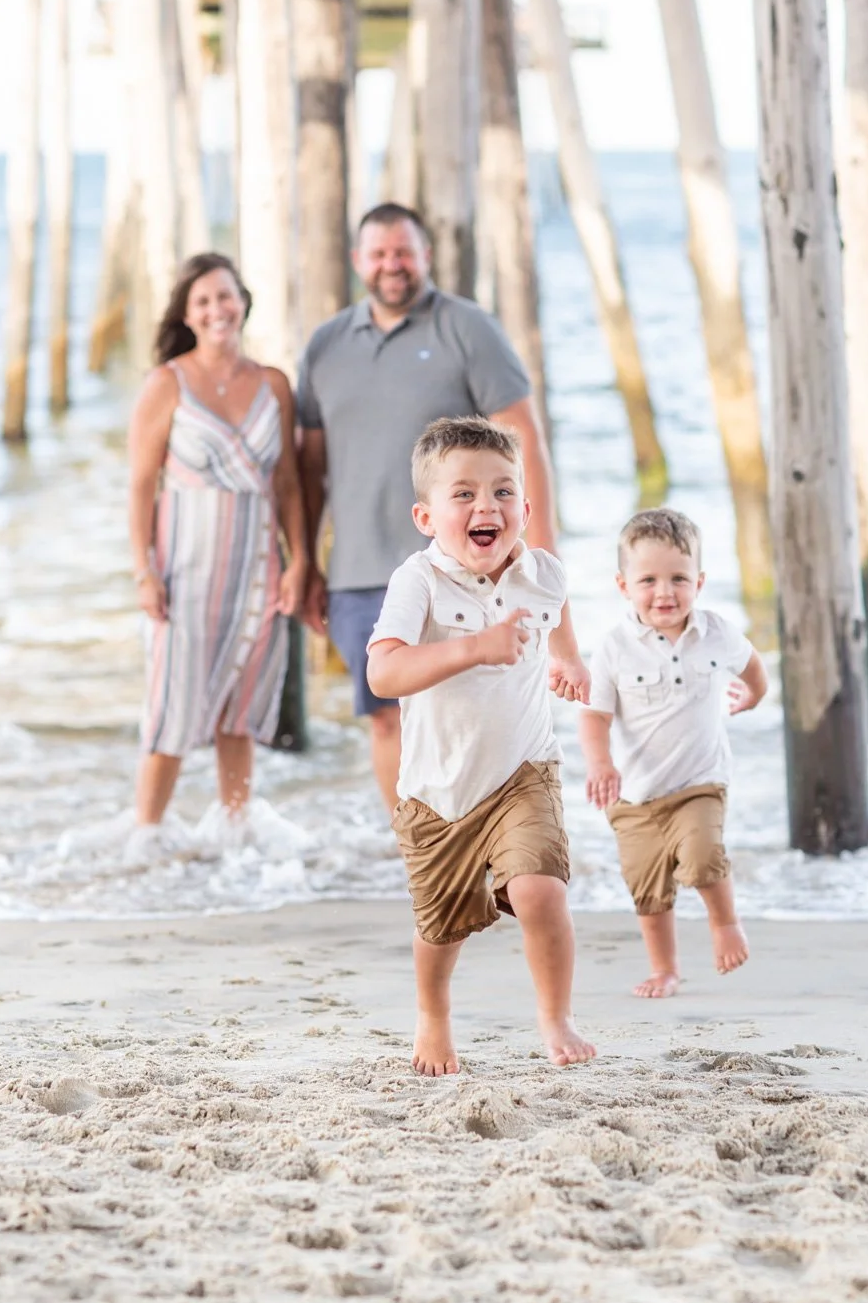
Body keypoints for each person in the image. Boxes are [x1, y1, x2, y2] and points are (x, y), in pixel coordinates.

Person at [297, 203, 558, 813]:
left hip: (466, 567)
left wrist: (537, 552)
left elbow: (523, 442)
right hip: (360, 569)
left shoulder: (468, 329)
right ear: (359, 261)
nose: (393, 265)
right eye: (380, 253)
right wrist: (305, 562)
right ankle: (417, 850)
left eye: (404, 252)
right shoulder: (326, 345)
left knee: (478, 709)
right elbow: (309, 469)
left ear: (427, 256)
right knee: (387, 715)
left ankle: (494, 837)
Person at [367, 416, 596, 1076]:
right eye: (463, 494)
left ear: (524, 508)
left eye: (501, 492)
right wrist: (474, 648)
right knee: (442, 928)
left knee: (541, 892)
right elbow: (383, 673)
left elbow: (556, 603)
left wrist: (568, 660)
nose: (484, 506)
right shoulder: (419, 581)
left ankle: (555, 1016)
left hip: (525, 770)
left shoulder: (542, 570)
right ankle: (434, 1015)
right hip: (437, 791)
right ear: (426, 516)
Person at [127, 252, 308, 836]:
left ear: (243, 301)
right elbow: (139, 485)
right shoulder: (167, 384)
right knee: (172, 711)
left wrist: (300, 559)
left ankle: (237, 838)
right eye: (202, 301)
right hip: (186, 572)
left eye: (224, 296)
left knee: (241, 707)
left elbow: (286, 483)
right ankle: (144, 838)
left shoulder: (274, 384)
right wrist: (144, 572)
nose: (216, 310)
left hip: (256, 567)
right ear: (187, 313)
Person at [577, 508, 767, 998]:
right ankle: (665, 968)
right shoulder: (615, 648)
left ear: (699, 581)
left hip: (699, 783)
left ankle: (724, 923)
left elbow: (754, 667)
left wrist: (754, 696)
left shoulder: (717, 632)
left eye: (679, 578)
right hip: (635, 795)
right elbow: (594, 716)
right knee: (647, 888)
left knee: (703, 855)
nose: (665, 592)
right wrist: (600, 763)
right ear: (623, 585)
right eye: (649, 580)